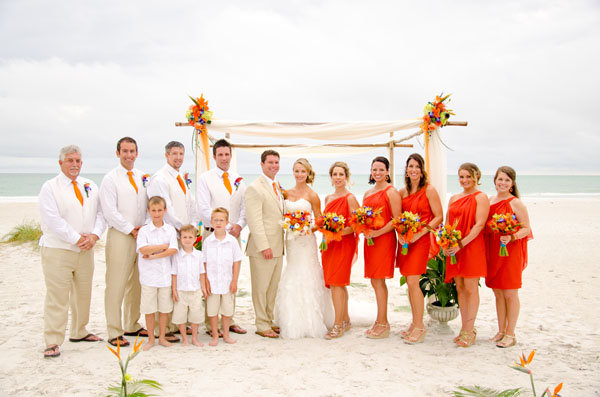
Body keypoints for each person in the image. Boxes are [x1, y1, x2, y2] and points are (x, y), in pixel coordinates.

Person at [38, 145, 106, 358]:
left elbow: (101, 214)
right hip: (59, 250)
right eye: (70, 160)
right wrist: (77, 239)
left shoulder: (90, 185)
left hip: (86, 249)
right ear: (61, 163)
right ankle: (52, 340)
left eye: (78, 160)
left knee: (83, 294)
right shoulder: (50, 187)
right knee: (58, 297)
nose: (75, 164)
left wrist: (94, 235)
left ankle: (79, 330)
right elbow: (53, 220)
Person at [274, 158, 334, 339]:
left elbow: (320, 220)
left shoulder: (312, 195)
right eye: (296, 171)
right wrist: (290, 226)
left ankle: (312, 320)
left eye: (303, 171)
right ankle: (289, 319)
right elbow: (281, 215)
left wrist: (305, 229)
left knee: (307, 273)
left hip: (306, 241)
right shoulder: (285, 193)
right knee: (292, 272)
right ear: (293, 172)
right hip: (291, 242)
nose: (299, 174)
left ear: (308, 173)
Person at [146, 140, 198, 341]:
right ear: (166, 155)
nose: (178, 157)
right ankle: (163, 327)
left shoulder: (180, 178)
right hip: (170, 233)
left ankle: (177, 322)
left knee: (180, 276)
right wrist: (181, 228)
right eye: (174, 153)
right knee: (166, 278)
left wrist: (191, 226)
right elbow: (163, 208)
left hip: (184, 235)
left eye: (181, 154)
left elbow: (190, 205)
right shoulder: (160, 178)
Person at [100, 137, 148, 347]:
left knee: (136, 282)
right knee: (116, 283)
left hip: (141, 234)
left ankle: (132, 323)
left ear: (137, 153)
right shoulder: (110, 179)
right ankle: (114, 329)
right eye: (125, 151)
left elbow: (150, 204)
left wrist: (144, 227)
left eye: (132, 151)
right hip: (121, 234)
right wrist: (130, 229)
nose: (129, 155)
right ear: (117, 153)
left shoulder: (143, 177)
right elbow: (109, 211)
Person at [196, 138, 247, 335]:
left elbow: (243, 207)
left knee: (230, 278)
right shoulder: (205, 178)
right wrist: (224, 226)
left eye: (227, 154)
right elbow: (203, 209)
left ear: (230, 156)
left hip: (233, 236)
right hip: (212, 235)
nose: (224, 158)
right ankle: (212, 324)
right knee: (211, 277)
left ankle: (229, 318)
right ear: (215, 156)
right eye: (220, 155)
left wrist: (239, 225)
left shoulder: (238, 180)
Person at [396, 153, 443, 344]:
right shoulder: (402, 192)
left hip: (421, 240)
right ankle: (414, 322)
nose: (413, 170)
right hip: (406, 242)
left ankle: (420, 326)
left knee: (414, 281)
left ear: (421, 170)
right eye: (410, 166)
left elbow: (439, 216)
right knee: (409, 282)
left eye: (417, 166)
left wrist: (420, 233)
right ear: (406, 170)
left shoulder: (429, 190)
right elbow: (398, 218)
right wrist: (400, 234)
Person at [485, 166, 532, 348]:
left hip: (510, 251)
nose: (502, 183)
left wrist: (512, 236)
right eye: (500, 179)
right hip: (493, 251)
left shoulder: (516, 203)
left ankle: (511, 333)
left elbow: (526, 228)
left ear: (512, 184)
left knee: (510, 293)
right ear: (495, 181)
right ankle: (501, 330)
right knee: (497, 292)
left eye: (506, 180)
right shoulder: (489, 201)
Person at [444, 162, 490, 347]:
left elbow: (479, 225)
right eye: (461, 177)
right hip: (454, 246)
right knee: (460, 287)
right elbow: (448, 222)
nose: (465, 180)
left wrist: (461, 243)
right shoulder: (454, 197)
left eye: (468, 177)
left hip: (470, 246)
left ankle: (470, 330)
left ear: (476, 177)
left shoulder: (481, 197)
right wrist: (446, 242)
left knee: (471, 288)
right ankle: (464, 327)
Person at [244, 150, 285, 338]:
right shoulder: (254, 188)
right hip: (263, 247)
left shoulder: (277, 186)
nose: (274, 165)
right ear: (262, 164)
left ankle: (269, 319)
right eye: (270, 162)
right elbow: (254, 220)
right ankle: (261, 324)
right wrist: (264, 246)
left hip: (278, 245)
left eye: (276, 162)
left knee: (272, 287)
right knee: (260, 288)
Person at [362, 156, 401, 339]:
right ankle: (380, 320)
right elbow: (362, 217)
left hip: (384, 240)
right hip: (370, 241)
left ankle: (383, 323)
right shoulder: (367, 193)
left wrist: (378, 233)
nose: (377, 173)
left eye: (381, 169)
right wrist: (364, 229)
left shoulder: (391, 192)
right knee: (373, 280)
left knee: (379, 281)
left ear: (387, 172)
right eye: (374, 169)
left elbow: (396, 220)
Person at [321, 161, 359, 339]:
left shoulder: (350, 198)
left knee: (338, 282)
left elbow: (356, 225)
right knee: (337, 283)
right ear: (331, 177)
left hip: (344, 244)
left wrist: (337, 232)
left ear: (346, 177)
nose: (337, 178)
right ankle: (345, 320)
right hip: (329, 245)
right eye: (334, 174)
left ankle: (337, 325)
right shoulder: (328, 198)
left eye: (341, 175)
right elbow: (323, 222)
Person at [136, 196, 179, 351]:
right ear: (148, 211)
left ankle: (161, 337)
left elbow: (173, 249)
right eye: (153, 210)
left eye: (159, 210)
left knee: (164, 309)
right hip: (148, 277)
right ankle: (150, 339)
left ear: (164, 211)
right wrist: (163, 246)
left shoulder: (170, 229)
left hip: (165, 277)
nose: (156, 213)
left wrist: (154, 255)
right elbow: (143, 249)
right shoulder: (144, 230)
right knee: (149, 310)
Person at [203, 208, 243, 346]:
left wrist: (234, 281)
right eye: (215, 220)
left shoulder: (232, 241)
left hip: (227, 282)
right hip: (212, 283)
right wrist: (205, 282)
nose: (218, 223)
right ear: (211, 222)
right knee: (212, 311)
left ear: (227, 222)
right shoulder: (208, 242)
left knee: (227, 311)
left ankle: (226, 335)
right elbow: (204, 263)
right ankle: (215, 335)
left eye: (221, 220)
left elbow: (236, 262)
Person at [171, 224, 207, 347]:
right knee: (180, 316)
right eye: (184, 237)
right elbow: (174, 274)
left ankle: (195, 338)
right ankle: (185, 339)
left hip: (195, 290)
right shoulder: (176, 256)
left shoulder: (199, 255)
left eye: (190, 237)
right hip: (181, 291)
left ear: (195, 238)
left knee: (195, 315)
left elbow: (202, 273)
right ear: (180, 238)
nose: (187, 239)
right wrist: (174, 290)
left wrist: (203, 288)